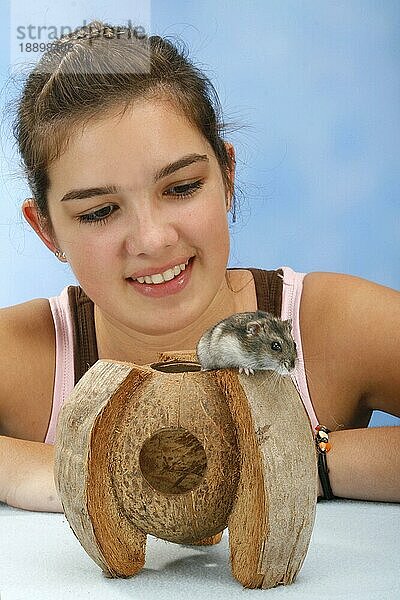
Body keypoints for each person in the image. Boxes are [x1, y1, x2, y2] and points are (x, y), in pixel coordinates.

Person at [0, 20, 399, 513]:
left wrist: (305, 461)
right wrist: (35, 469)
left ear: (227, 176)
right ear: (47, 231)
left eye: (182, 188)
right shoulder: (23, 356)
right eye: (99, 211)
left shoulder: (330, 326)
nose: (152, 239)